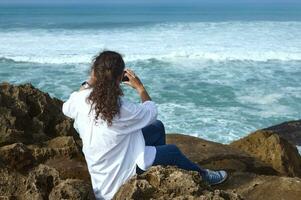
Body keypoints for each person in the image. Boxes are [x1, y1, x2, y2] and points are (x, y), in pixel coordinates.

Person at [62, 50, 227, 200]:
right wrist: (140, 88)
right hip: (120, 173)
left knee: (157, 128)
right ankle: (203, 176)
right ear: (120, 78)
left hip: (103, 162)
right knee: (173, 152)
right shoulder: (121, 108)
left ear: (94, 74)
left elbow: (65, 108)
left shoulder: (79, 99)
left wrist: (89, 82)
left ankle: (158, 174)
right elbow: (151, 111)